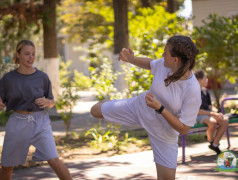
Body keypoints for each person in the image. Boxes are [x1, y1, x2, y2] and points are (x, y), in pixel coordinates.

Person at [90, 35, 201, 180]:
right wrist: (131, 59)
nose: (162, 54)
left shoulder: (192, 90)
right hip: (140, 108)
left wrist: (160, 108)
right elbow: (151, 64)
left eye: (165, 52)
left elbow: (184, 128)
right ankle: (109, 102)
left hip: (164, 131)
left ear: (176, 60)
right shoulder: (165, 64)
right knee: (95, 111)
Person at [0, 40, 72, 180]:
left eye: (33, 54)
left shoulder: (42, 77)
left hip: (41, 122)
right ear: (18, 54)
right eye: (27, 54)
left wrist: (48, 102)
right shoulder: (8, 79)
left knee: (54, 159)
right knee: (7, 166)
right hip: (17, 123)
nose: (31, 57)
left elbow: (51, 101)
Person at [194, 70, 228, 155]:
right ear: (198, 80)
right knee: (212, 122)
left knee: (225, 120)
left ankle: (214, 144)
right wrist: (213, 114)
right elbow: (196, 110)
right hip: (197, 115)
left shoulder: (205, 91)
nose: (207, 79)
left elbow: (209, 106)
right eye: (205, 78)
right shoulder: (193, 92)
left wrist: (216, 112)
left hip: (207, 114)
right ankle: (210, 140)